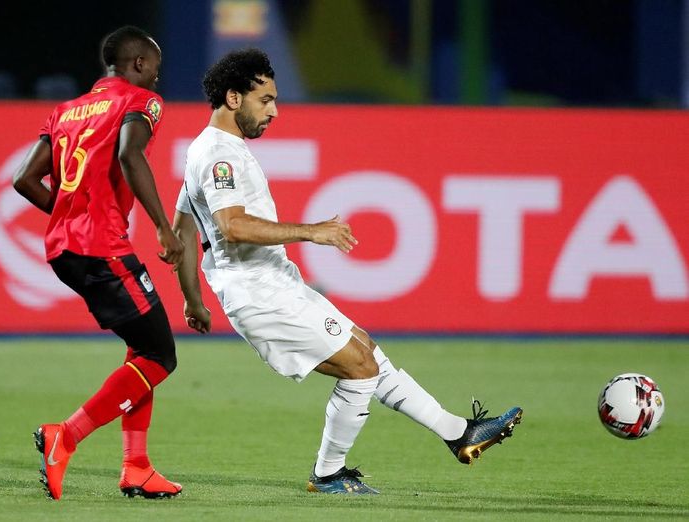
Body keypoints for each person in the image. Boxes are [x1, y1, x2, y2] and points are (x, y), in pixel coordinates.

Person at [172, 48, 523, 494]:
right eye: (266, 100)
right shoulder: (220, 155)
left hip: (275, 284)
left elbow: (182, 229)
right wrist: (310, 231)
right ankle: (329, 473)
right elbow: (231, 225)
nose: (275, 111)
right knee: (359, 367)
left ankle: (458, 432)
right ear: (234, 98)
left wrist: (192, 298)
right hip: (258, 293)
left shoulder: (208, 150)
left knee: (367, 352)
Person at [13, 26, 184, 501]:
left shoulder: (65, 110)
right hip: (103, 248)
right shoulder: (140, 101)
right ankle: (64, 436)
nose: (157, 79)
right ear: (137, 65)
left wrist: (70, 215)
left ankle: (137, 468)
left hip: (63, 249)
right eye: (155, 69)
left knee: (141, 350)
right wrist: (163, 228)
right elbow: (131, 155)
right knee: (160, 356)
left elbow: (24, 179)